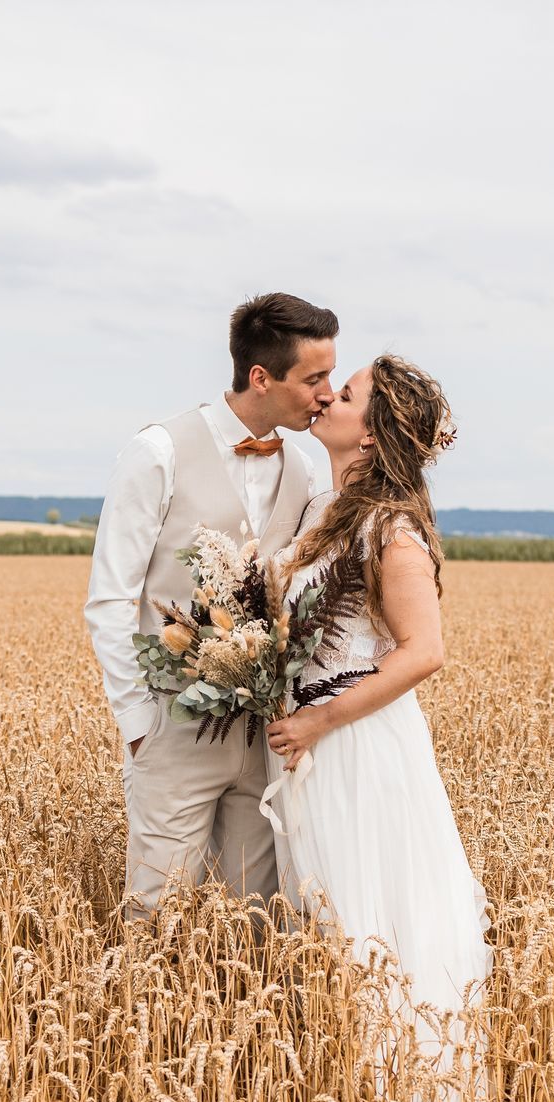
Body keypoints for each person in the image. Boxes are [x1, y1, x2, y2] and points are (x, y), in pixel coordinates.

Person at [262, 354, 492, 1102]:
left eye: (347, 392)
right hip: (315, 746)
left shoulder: (389, 525)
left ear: (372, 431)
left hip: (361, 752)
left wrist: (320, 721)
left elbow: (424, 650)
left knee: (373, 925)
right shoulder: (325, 509)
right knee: (328, 926)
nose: (329, 395)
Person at [84, 293, 336, 922]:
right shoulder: (158, 452)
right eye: (314, 378)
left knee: (255, 915)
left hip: (265, 738)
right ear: (262, 378)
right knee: (157, 911)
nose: (327, 394)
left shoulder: (303, 468)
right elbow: (111, 599)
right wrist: (141, 726)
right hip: (174, 729)